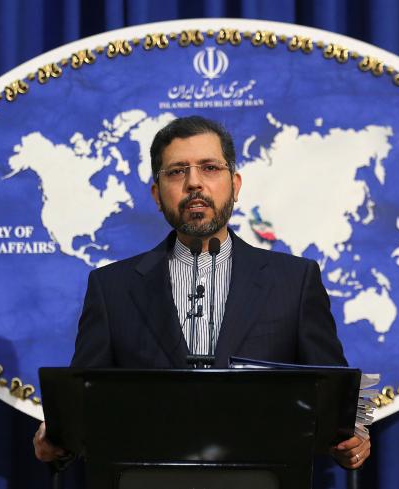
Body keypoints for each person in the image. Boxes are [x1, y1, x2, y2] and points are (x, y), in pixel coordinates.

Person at [33, 115, 371, 471]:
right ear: (156, 195)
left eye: (210, 168)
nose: (194, 183)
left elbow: (331, 396)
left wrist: (351, 438)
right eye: (177, 172)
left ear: (235, 185)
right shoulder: (112, 288)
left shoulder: (295, 281)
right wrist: (57, 437)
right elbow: (84, 401)